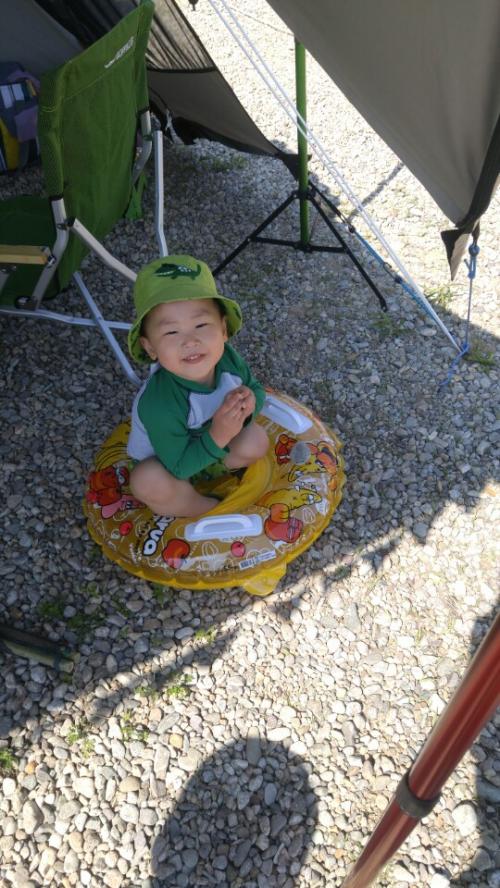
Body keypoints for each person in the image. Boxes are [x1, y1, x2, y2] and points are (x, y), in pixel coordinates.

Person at [126, 255, 269, 518]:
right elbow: (179, 466)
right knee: (146, 481)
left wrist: (250, 401)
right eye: (171, 332)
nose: (190, 341)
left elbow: (255, 388)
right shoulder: (160, 404)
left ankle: (212, 476)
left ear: (223, 329)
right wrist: (220, 435)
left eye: (201, 325)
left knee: (256, 440)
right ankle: (207, 508)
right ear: (150, 347)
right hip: (170, 464)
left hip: (209, 449)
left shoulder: (228, 360)